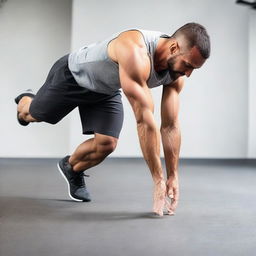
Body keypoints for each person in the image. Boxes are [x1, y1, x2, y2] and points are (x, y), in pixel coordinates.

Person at [15, 22, 210, 216]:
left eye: (194, 69)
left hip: (105, 90)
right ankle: (26, 99)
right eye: (187, 65)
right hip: (72, 76)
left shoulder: (177, 72)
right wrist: (158, 180)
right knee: (32, 115)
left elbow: (170, 126)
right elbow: (145, 120)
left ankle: (71, 167)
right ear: (174, 47)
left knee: (107, 143)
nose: (188, 73)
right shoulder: (135, 50)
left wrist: (173, 176)